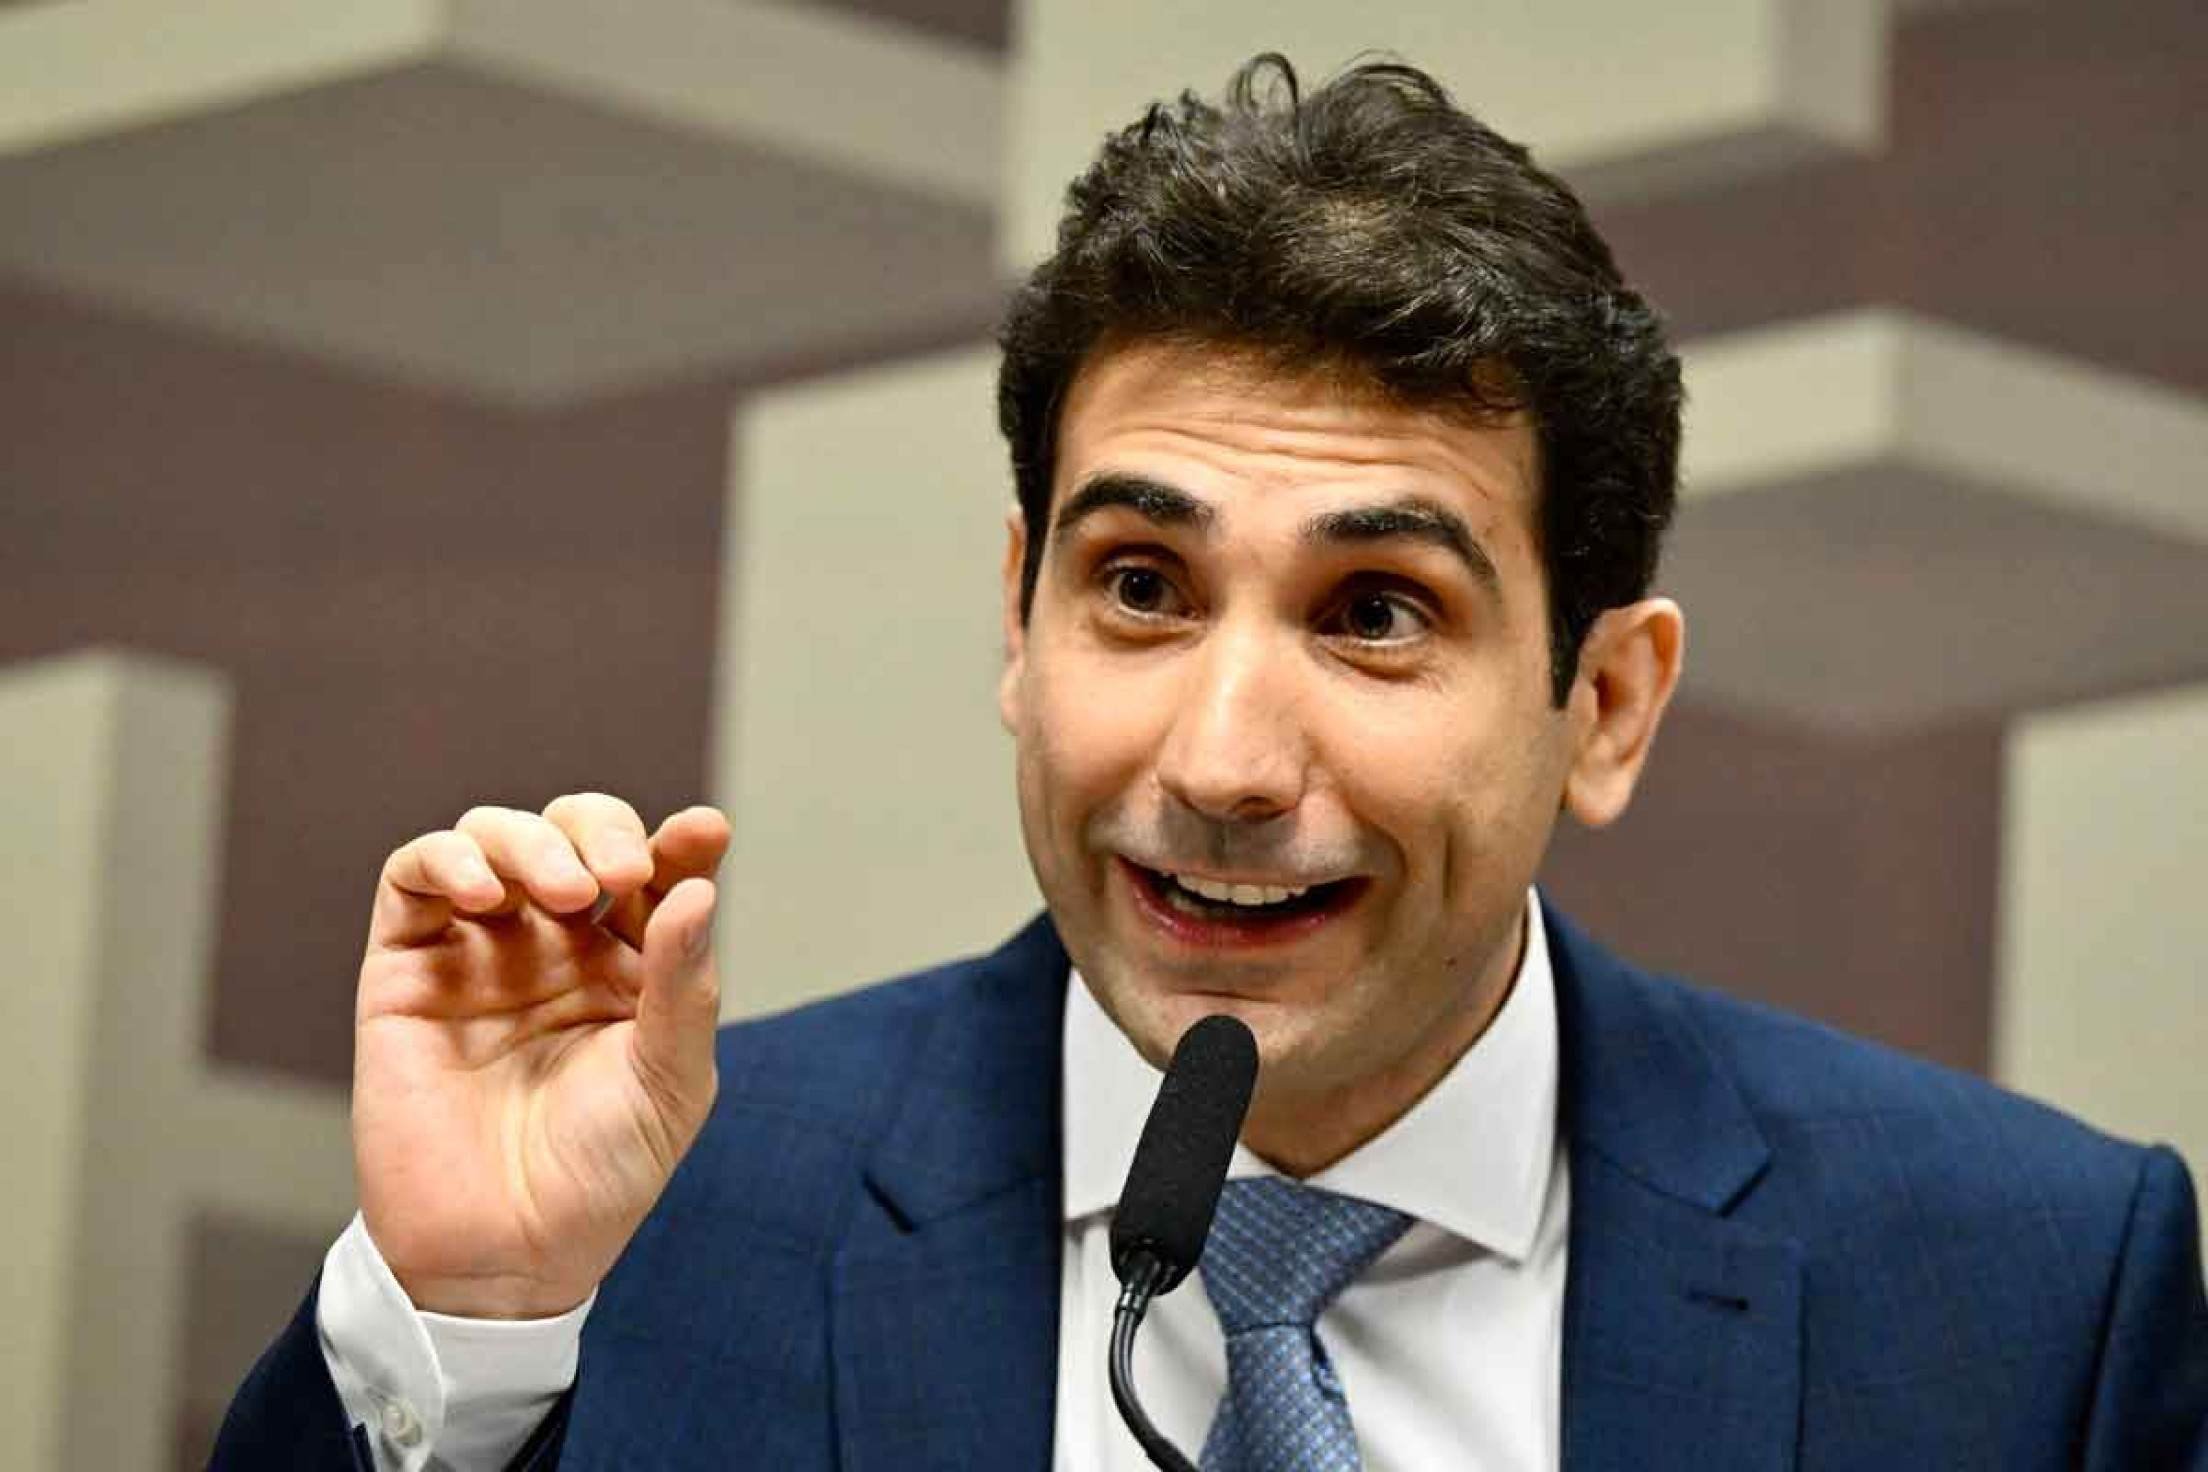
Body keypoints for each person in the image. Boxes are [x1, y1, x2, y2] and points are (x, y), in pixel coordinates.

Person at [213, 55, 2207, 1471]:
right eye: (1143, 586)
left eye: (1376, 611)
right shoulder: (652, 1231)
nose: (1227, 760)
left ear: (1606, 701)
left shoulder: (2020, 1298)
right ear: (1018, 625)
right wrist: (473, 1324)